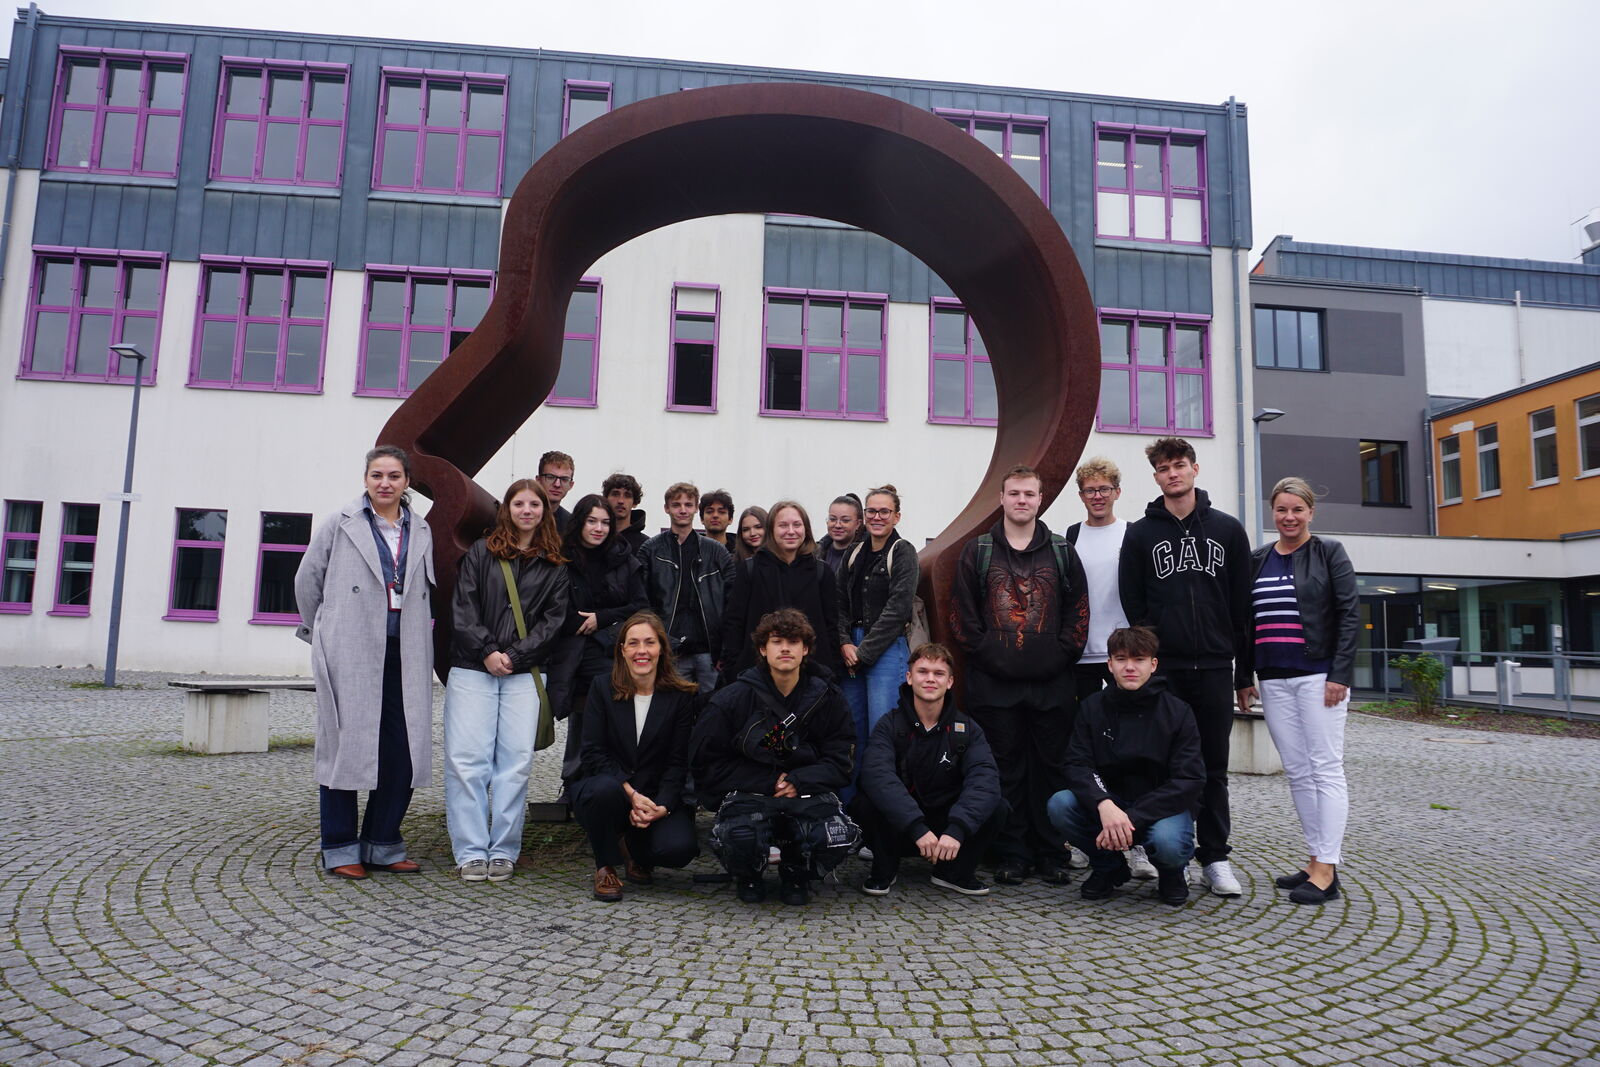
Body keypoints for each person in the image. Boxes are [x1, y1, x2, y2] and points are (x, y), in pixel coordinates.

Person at [1118, 437, 1252, 898]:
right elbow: (1134, 603)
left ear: (1195, 469)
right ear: (1156, 477)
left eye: (1179, 465)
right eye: (1163, 468)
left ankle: (1214, 857)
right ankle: (1154, 850)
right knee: (1155, 763)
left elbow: (1242, 608)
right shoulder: (1140, 534)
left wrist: (1243, 674)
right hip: (1165, 671)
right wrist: (1149, 662)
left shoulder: (1228, 530)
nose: (1172, 474)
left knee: (1213, 767)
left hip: (1213, 666)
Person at [294, 445, 435, 880]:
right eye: (377, 475)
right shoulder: (341, 523)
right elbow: (306, 580)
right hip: (352, 649)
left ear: (406, 481)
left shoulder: (421, 528)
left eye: (393, 476)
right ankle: (339, 847)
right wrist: (324, 631)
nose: (385, 483)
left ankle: (382, 843)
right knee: (344, 746)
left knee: (403, 750)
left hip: (405, 651)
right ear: (366, 479)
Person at [951, 464, 1088, 886]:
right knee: (1003, 769)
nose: (1022, 500)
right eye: (1014, 493)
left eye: (1029, 493)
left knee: (1050, 769)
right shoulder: (977, 551)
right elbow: (962, 619)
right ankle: (1012, 853)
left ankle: (1051, 852)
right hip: (993, 686)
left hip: (1052, 685)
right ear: (1002, 498)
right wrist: (996, 657)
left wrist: (1056, 656)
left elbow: (1079, 614)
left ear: (1040, 499)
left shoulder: (1062, 551)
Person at [1236, 477, 1358, 906]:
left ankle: (1327, 868)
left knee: (1326, 768)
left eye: (1297, 510)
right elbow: (1245, 623)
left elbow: (1349, 614)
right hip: (1273, 678)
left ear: (1310, 512)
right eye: (1281, 510)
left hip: (1319, 677)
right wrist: (1243, 676)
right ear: (1273, 512)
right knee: (1298, 771)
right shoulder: (1258, 559)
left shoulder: (1329, 553)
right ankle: (1315, 861)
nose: (1289, 517)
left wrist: (1339, 674)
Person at [443, 478, 569, 882]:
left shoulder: (555, 564)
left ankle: (503, 849)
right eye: (519, 503)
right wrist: (487, 651)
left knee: (514, 764)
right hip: (472, 667)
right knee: (467, 761)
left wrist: (514, 656)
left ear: (544, 511)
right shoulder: (481, 552)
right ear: (507, 509)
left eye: (535, 504)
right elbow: (463, 608)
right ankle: (470, 850)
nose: (527, 510)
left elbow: (553, 623)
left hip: (524, 673)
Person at [691, 608, 858, 905]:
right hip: (751, 793)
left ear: (805, 649)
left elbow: (841, 760)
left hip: (807, 793)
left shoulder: (828, 698)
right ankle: (749, 874)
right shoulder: (732, 699)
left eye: (793, 642)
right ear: (762, 649)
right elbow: (707, 764)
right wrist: (768, 781)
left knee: (834, 835)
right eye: (777, 641)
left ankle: (797, 872)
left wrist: (799, 780)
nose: (785, 648)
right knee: (739, 836)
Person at [1047, 625, 1203, 907]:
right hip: (1111, 803)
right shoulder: (1092, 707)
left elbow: (1189, 779)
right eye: (1121, 659)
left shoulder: (1178, 712)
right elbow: (1077, 763)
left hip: (1160, 808)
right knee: (1061, 804)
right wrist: (1103, 803)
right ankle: (1108, 867)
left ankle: (1171, 873)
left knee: (1169, 842)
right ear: (1110, 664)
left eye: (1139, 659)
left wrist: (1132, 817)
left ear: (1153, 665)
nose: (1130, 667)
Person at [853, 643, 1005, 897]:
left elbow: (985, 780)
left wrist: (957, 829)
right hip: (903, 829)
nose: (930, 679)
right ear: (909, 678)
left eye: (939, 673)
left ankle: (954, 872)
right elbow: (877, 776)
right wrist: (916, 827)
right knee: (865, 803)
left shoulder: (967, 729)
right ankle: (884, 868)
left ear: (950, 682)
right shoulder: (888, 725)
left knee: (997, 806)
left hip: (948, 832)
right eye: (923, 672)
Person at [569, 612, 701, 901]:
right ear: (622, 650)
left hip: (653, 795)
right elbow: (593, 753)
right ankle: (606, 866)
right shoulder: (602, 687)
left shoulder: (680, 696)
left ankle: (633, 848)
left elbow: (678, 762)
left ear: (661, 649)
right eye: (634, 643)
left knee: (679, 849)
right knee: (604, 791)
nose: (642, 650)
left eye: (650, 642)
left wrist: (662, 806)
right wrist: (630, 794)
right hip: (608, 788)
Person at [1063, 456, 1147, 878]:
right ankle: (1087, 836)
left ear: (1117, 492)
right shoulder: (1071, 536)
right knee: (1086, 746)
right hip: (1081, 655)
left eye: (1104, 489)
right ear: (1081, 496)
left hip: (1122, 656)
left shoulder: (1132, 534)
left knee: (1131, 747)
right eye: (1090, 490)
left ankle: (1138, 840)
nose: (1097, 496)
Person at [547, 493, 648, 783]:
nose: (599, 528)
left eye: (605, 522)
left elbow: (641, 606)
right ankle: (575, 781)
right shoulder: (560, 558)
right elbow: (553, 608)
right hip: (570, 650)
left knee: (612, 712)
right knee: (580, 716)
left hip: (611, 650)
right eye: (592, 521)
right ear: (580, 522)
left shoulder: (624, 559)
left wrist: (600, 618)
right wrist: (582, 621)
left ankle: (611, 780)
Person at [837, 485, 917, 799]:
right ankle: (847, 810)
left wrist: (864, 652)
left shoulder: (903, 552)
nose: (877, 517)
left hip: (885, 650)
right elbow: (839, 603)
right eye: (871, 511)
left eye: (885, 511)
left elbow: (898, 610)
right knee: (851, 734)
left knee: (882, 736)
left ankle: (883, 812)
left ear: (897, 516)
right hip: (851, 650)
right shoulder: (854, 553)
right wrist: (844, 642)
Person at [720, 501, 843, 680]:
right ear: (771, 530)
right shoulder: (750, 569)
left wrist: (831, 671)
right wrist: (733, 668)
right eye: (783, 525)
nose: (791, 531)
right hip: (757, 674)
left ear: (806, 529)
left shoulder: (822, 572)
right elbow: (734, 623)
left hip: (811, 675)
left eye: (797, 525)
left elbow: (831, 627)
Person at [639, 482, 734, 693]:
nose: (682, 510)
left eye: (688, 505)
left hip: (709, 652)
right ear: (666, 508)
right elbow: (642, 602)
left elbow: (732, 603)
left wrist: (725, 650)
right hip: (670, 650)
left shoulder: (717, 552)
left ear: (696, 508)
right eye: (676, 505)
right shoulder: (651, 550)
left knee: (712, 708)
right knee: (673, 708)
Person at [603, 471, 649, 554]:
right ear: (606, 499)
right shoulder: (595, 537)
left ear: (635, 503)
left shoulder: (646, 546)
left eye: (627, 495)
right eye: (615, 494)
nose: (620, 501)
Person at [817, 494, 864, 574]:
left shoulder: (864, 557)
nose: (837, 525)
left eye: (845, 520)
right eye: (833, 519)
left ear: (858, 524)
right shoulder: (815, 553)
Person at [537, 450, 576, 533]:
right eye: (550, 477)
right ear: (538, 480)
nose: (557, 484)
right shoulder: (521, 515)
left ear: (571, 485)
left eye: (564, 479)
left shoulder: (571, 525)